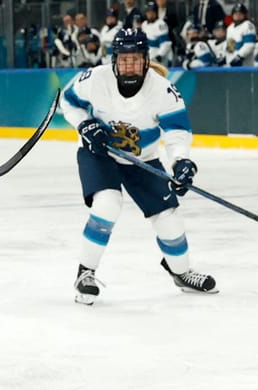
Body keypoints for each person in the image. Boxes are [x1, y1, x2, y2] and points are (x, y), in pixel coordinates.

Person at [60, 28, 216, 305]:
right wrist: (85, 124)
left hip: (143, 160)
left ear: (145, 60)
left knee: (168, 218)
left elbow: (177, 131)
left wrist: (181, 161)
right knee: (107, 204)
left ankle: (181, 272)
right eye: (124, 59)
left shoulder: (163, 90)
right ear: (114, 60)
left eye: (135, 59)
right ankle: (85, 274)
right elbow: (69, 101)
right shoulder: (96, 79)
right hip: (100, 154)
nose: (129, 65)